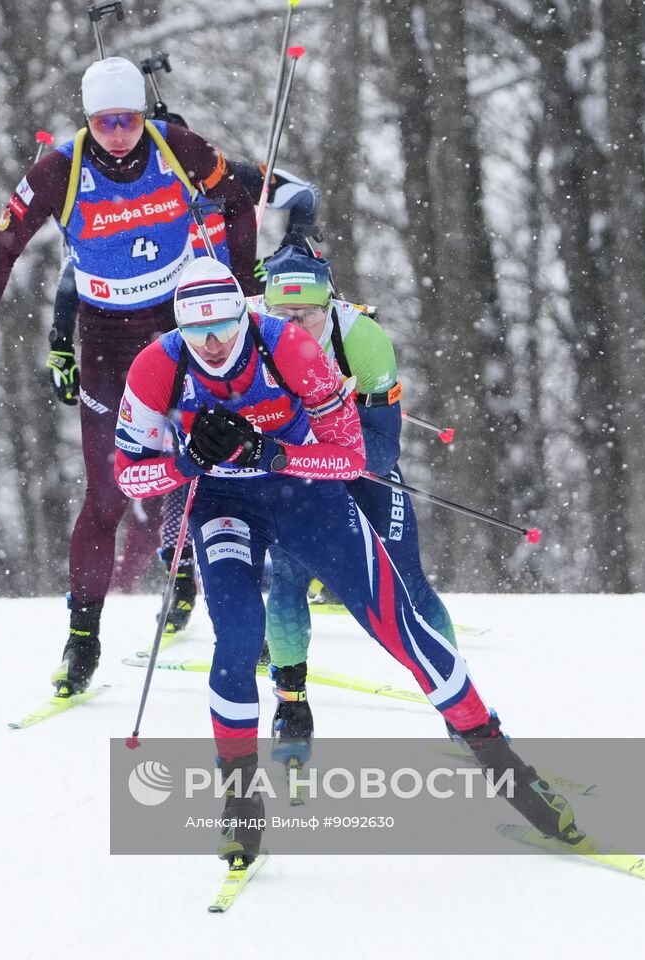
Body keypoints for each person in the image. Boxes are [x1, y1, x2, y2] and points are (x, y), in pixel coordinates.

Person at [113, 257, 582, 868]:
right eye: (197, 334)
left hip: (307, 496)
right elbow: (130, 478)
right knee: (236, 636)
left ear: (243, 314)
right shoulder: (157, 367)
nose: (214, 345)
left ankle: (505, 767)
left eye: (225, 327)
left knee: (401, 629)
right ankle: (239, 802)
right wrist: (188, 464)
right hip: (224, 504)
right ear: (178, 329)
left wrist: (273, 452)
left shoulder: (291, 349)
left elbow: (352, 458)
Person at [0, 56, 260, 697]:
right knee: (108, 496)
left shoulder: (176, 146)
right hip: (109, 342)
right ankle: (83, 637)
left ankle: (235, 613)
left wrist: (244, 288)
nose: (119, 133)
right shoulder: (60, 167)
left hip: (179, 335)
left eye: (128, 120)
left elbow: (240, 198)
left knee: (216, 468)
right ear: (88, 121)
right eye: (105, 122)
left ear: (143, 116)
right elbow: (0, 250)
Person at [47, 161, 323, 638]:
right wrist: (60, 339)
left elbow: (304, 195)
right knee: (185, 456)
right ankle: (181, 573)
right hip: (169, 346)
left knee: (263, 448)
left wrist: (284, 255)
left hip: (236, 337)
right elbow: (76, 268)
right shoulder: (138, 204)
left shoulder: (232, 174)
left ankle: (285, 577)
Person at [252, 245, 456, 760]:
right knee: (289, 576)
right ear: (266, 308)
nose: (296, 326)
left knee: (407, 581)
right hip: (294, 471)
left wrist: (326, 454)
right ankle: (291, 705)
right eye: (284, 315)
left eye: (309, 315)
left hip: (359, 460)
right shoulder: (250, 334)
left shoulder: (361, 339)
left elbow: (385, 448)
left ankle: (458, 702)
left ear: (332, 306)